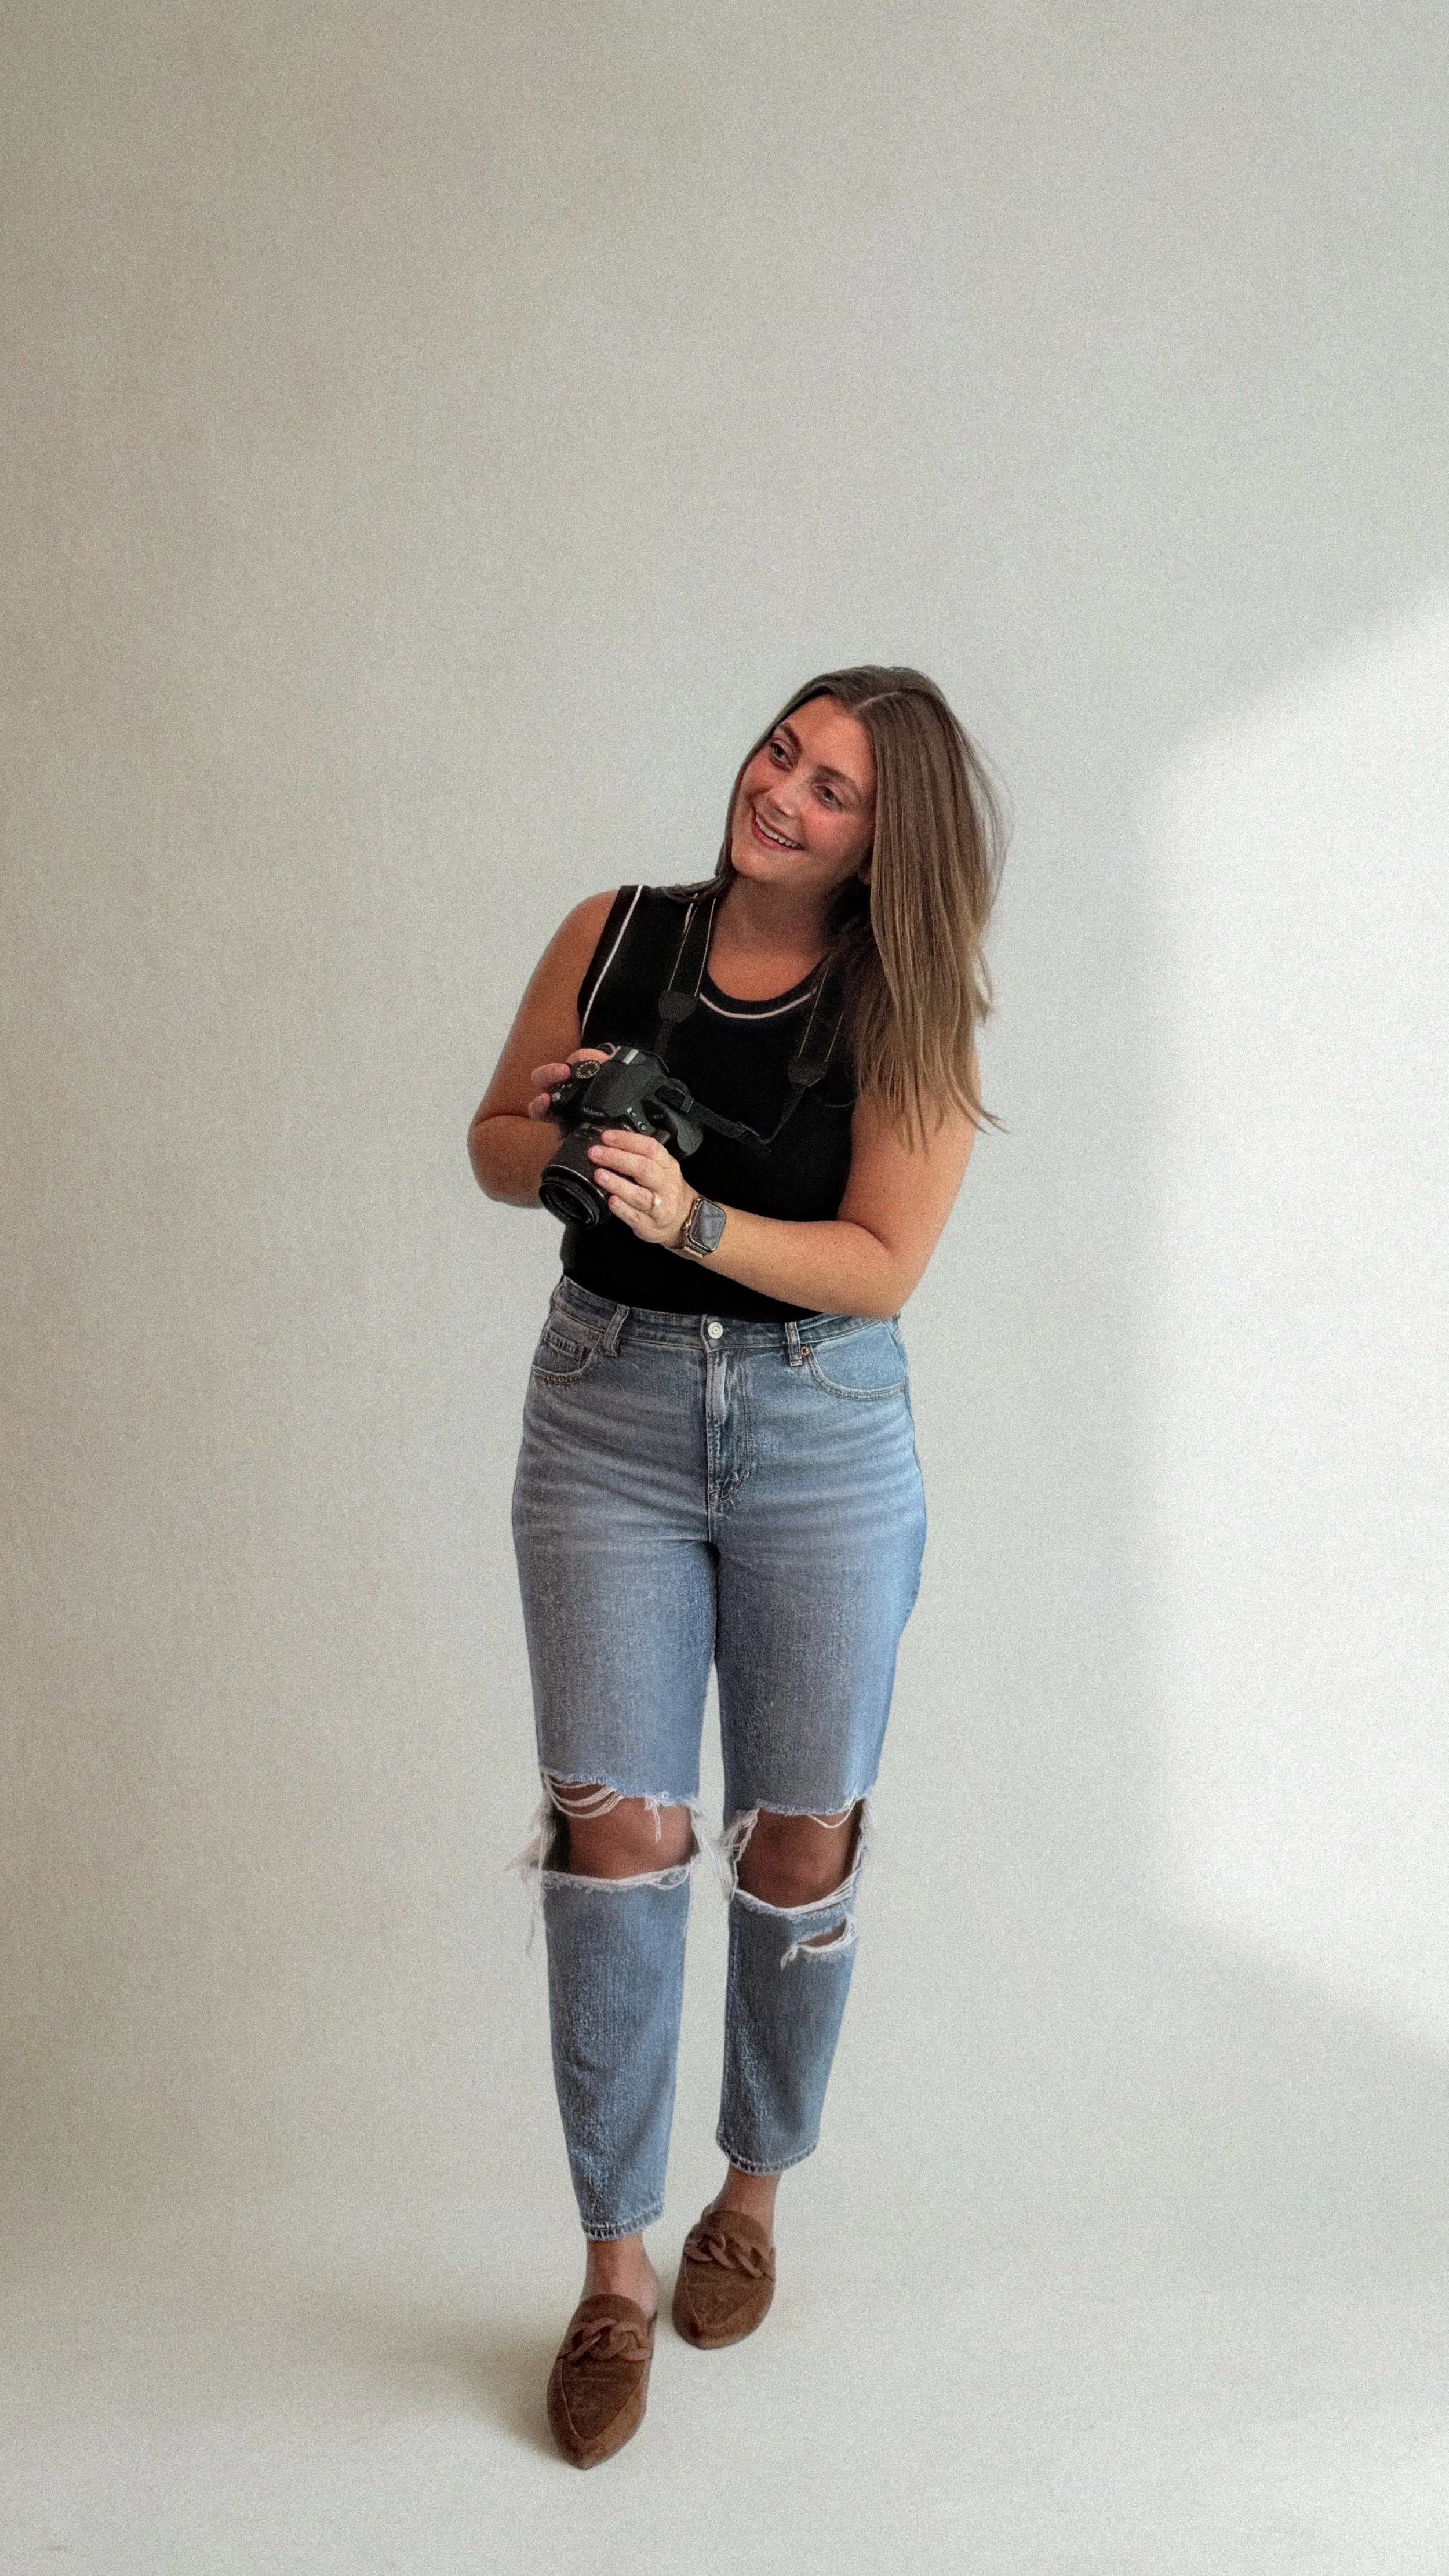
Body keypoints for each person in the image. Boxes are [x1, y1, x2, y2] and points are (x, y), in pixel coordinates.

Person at [468, 665, 1004, 2468]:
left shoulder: (904, 998)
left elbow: (880, 1261)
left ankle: (750, 2194)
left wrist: (695, 1213)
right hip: (606, 1411)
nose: (779, 790)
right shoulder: (615, 929)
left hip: (817, 1426)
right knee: (613, 1825)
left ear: (882, 843)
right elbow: (486, 1143)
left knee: (797, 1830)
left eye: (832, 788)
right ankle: (611, 2271)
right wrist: (565, 1144)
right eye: (782, 748)